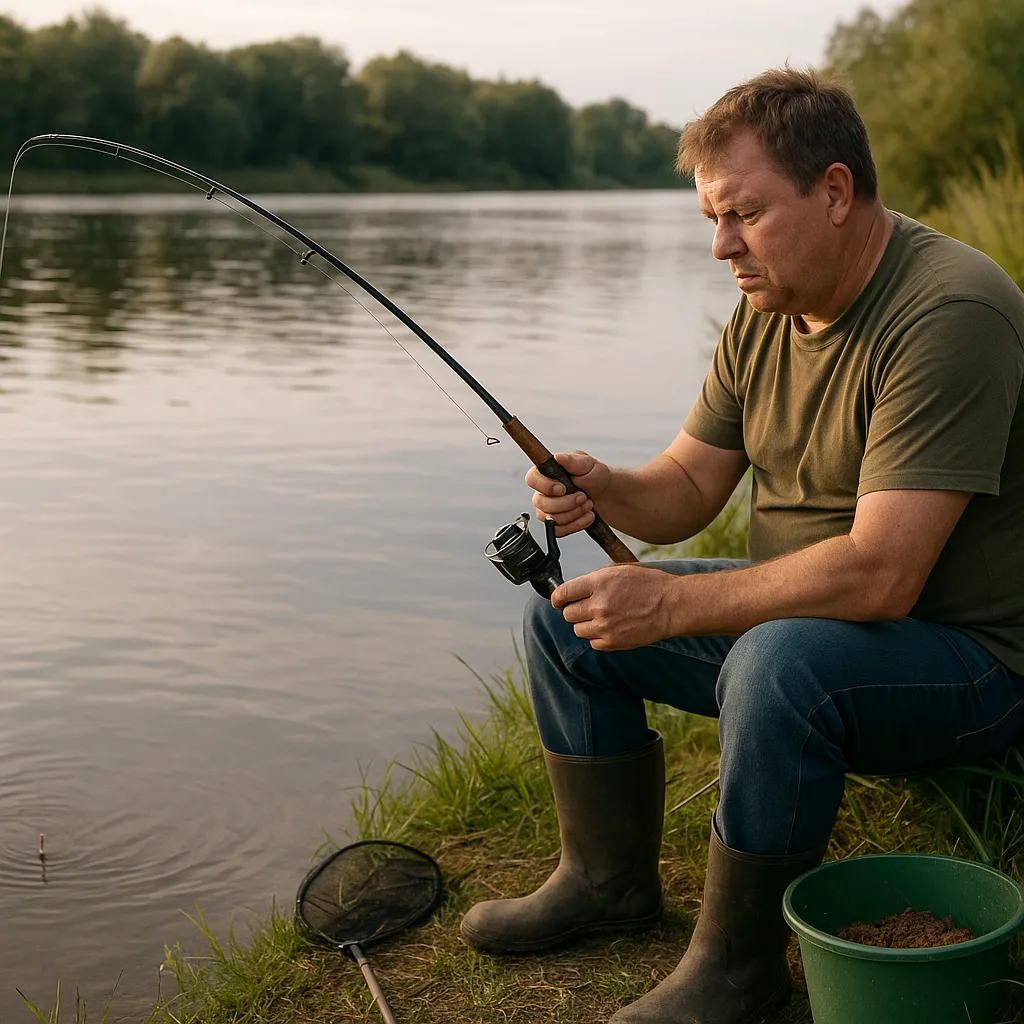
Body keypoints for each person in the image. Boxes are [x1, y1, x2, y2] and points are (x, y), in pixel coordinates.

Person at [458, 67, 1024, 1024]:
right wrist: (603, 487)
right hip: (820, 626)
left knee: (777, 658)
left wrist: (675, 605)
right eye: (712, 218)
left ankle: (738, 970)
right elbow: (683, 489)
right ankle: (605, 884)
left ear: (835, 192)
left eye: (744, 214)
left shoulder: (950, 312)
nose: (721, 246)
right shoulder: (766, 308)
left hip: (970, 664)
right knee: (568, 623)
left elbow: (884, 574)